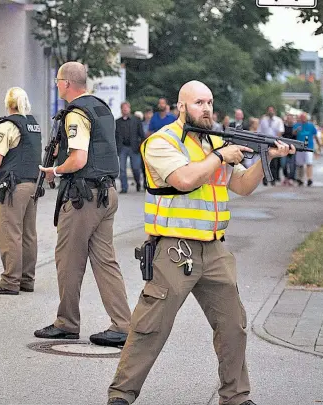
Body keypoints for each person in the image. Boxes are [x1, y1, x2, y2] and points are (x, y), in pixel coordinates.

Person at [106, 80, 293, 405]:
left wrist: (268, 158)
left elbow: (243, 185)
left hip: (215, 248)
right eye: (198, 102)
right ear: (182, 107)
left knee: (233, 326)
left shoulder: (214, 143)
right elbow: (185, 179)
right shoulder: (162, 142)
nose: (206, 108)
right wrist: (220, 156)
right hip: (175, 250)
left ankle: (235, 397)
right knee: (150, 328)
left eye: (209, 102)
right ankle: (120, 396)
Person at [34, 61, 132, 347]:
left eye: (57, 81)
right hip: (106, 193)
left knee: (68, 260)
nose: (56, 85)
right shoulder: (101, 108)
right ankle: (123, 325)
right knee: (106, 262)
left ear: (66, 83)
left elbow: (78, 158)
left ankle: (66, 323)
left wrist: (56, 170)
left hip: (83, 198)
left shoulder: (75, 114)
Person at [0, 87, 41, 295]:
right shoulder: (33, 124)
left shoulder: (8, 125)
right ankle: (27, 279)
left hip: (14, 186)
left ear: (9, 103)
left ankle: (10, 281)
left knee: (10, 233)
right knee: (28, 234)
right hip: (33, 185)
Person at [115, 101, 145, 193]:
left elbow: (142, 135)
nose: (125, 110)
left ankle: (138, 183)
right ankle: (124, 188)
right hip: (122, 148)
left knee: (136, 168)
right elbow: (115, 135)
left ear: (129, 109)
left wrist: (141, 146)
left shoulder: (136, 120)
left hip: (134, 148)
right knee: (122, 169)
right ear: (121, 110)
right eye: (123, 108)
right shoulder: (117, 122)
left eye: (126, 108)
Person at [293, 113, 321, 187]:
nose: (303, 119)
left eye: (304, 117)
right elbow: (293, 133)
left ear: (306, 118)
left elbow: (315, 136)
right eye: (301, 117)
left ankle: (309, 179)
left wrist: (319, 145)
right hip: (300, 147)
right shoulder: (297, 125)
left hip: (309, 147)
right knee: (300, 164)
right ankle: (300, 179)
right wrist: (296, 130)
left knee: (309, 163)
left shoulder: (311, 125)